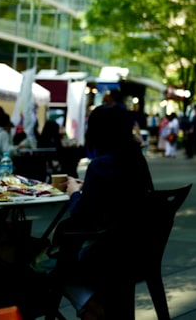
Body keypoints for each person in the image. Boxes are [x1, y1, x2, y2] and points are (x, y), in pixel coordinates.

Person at [53, 103, 154, 319]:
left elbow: (82, 218)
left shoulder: (100, 165)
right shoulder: (137, 160)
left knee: (45, 264)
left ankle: (93, 308)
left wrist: (74, 193)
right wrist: (86, 189)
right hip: (138, 252)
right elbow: (118, 198)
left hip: (106, 255)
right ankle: (96, 307)